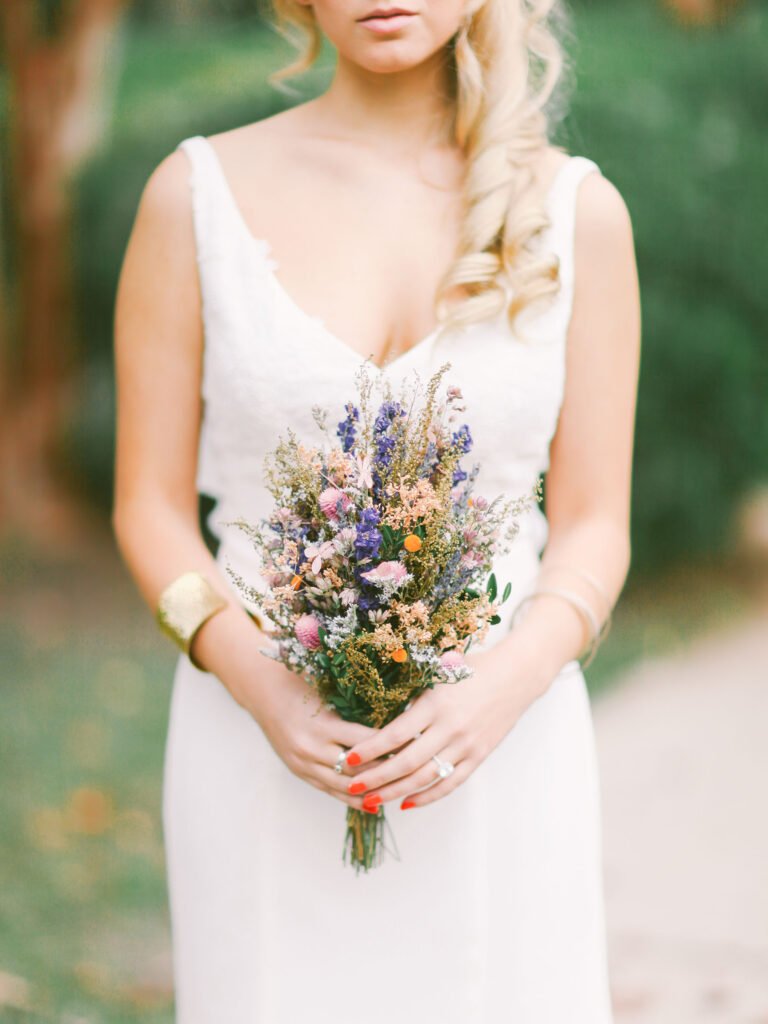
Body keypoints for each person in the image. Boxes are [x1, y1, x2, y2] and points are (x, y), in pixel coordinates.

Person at [112, 1, 641, 1021]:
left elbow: (595, 522)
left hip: (507, 756)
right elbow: (147, 505)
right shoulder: (195, 196)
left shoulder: (578, 214)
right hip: (258, 749)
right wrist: (261, 684)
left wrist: (501, 688)